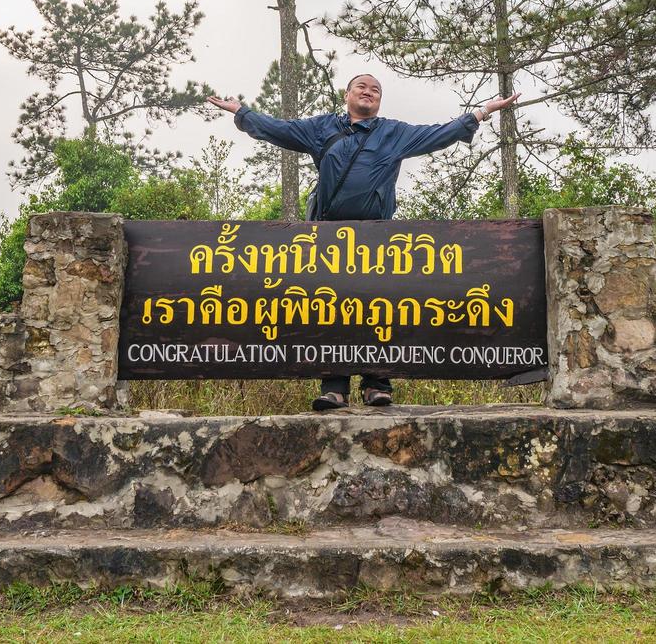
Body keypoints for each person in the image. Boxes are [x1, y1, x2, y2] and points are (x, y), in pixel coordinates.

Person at [207, 74, 518, 411]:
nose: (369, 92)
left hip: (377, 238)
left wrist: (480, 112)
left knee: (378, 306)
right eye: (362, 87)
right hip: (328, 238)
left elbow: (438, 134)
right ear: (347, 94)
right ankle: (335, 387)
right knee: (332, 309)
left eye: (376, 90)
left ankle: (376, 383)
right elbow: (280, 129)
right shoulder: (322, 129)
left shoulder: (393, 133)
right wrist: (242, 112)